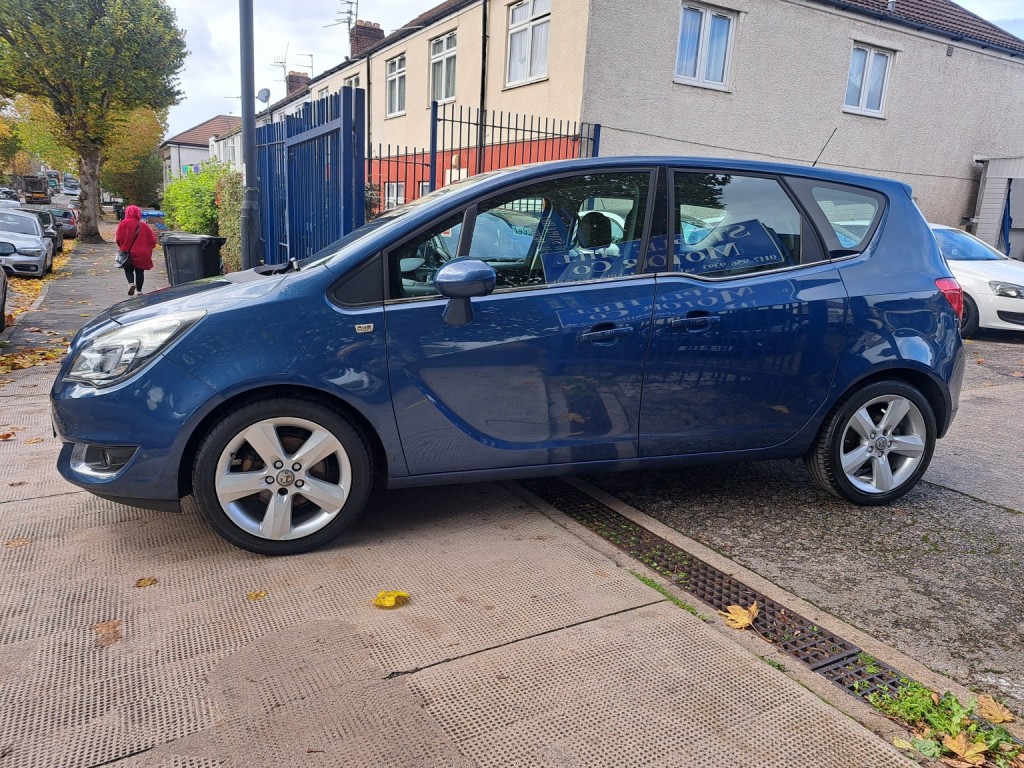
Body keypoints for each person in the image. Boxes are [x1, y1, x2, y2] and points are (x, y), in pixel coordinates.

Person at [114, 205, 158, 295]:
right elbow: (152, 239)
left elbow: (118, 238)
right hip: (141, 253)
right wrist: (150, 247)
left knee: (128, 269)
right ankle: (139, 291)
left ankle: (131, 283)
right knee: (140, 271)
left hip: (127, 251)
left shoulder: (122, 224)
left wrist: (122, 246)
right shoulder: (143, 225)